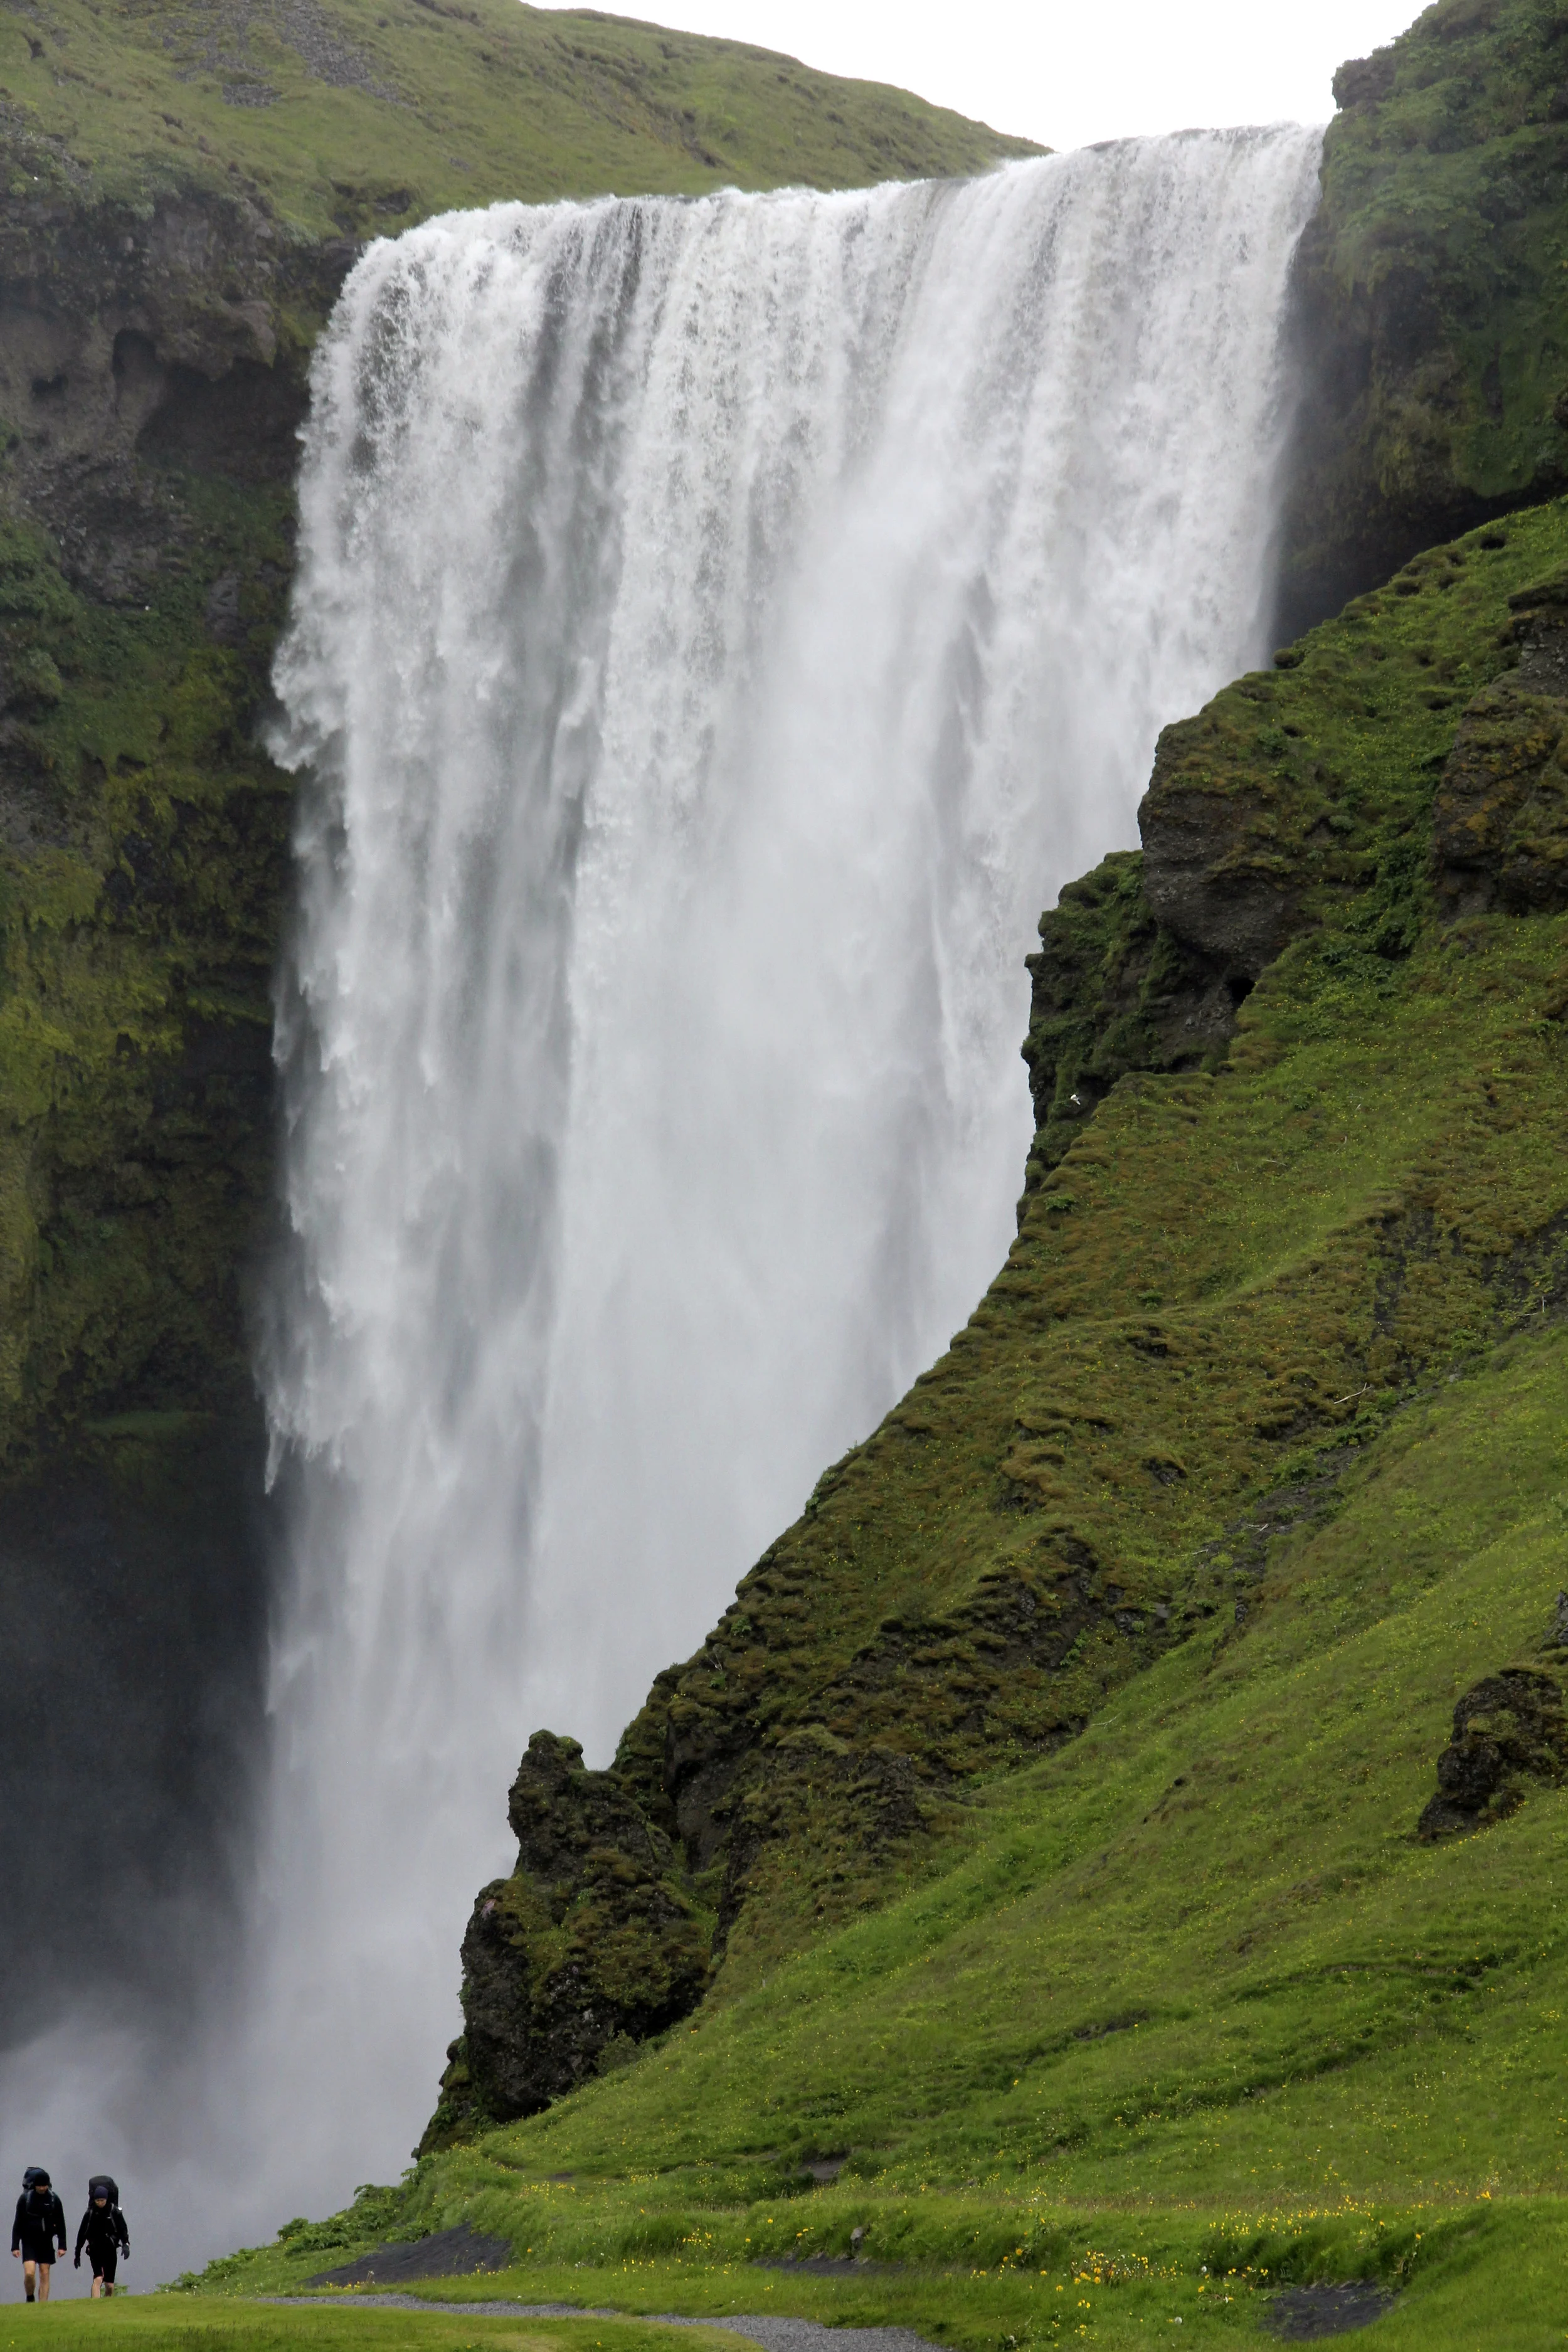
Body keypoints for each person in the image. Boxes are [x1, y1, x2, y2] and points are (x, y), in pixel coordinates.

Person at [11, 2169, 66, 2302]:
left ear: (48, 2185)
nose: (42, 2188)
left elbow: (61, 2223)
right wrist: (15, 2246)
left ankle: (43, 2306)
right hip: (29, 2240)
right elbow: (18, 2223)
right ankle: (30, 2297)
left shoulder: (54, 2199)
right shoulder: (25, 2199)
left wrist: (62, 2245)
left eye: (44, 2186)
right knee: (30, 2273)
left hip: (46, 2241)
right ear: (35, 2185)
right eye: (39, 2186)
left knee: (44, 2272)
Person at [73, 2178, 129, 2298]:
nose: (100, 2203)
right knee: (98, 2278)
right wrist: (77, 2253)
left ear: (107, 2199)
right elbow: (82, 2233)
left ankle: (106, 2304)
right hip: (95, 2248)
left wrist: (126, 2244)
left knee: (109, 2285)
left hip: (110, 2248)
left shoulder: (114, 2212)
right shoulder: (90, 2213)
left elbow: (122, 2229)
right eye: (98, 2200)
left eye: (102, 2200)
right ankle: (94, 2304)